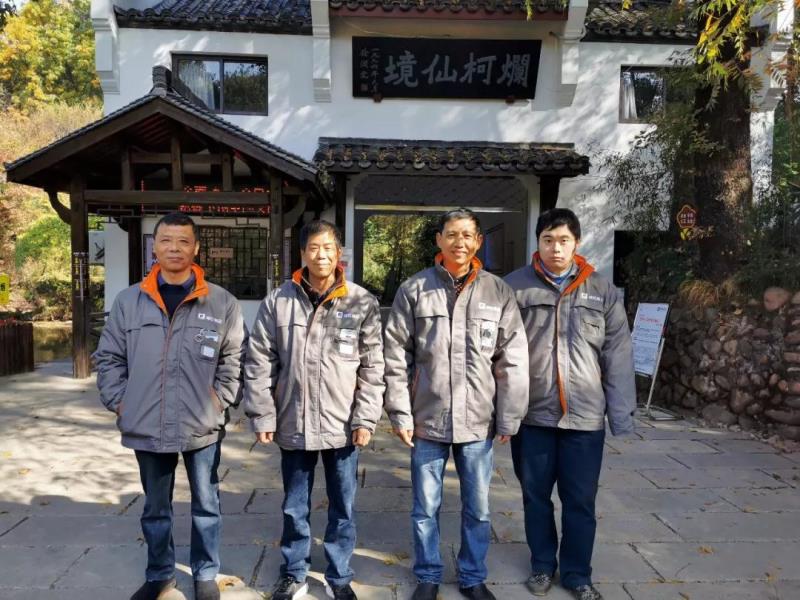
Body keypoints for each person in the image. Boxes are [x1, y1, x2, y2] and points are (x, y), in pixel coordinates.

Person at [94, 212, 247, 600]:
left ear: (196, 248)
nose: (174, 248)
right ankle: (160, 573)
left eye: (183, 241)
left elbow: (235, 358)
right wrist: (121, 402)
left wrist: (220, 400)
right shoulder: (130, 301)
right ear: (155, 248)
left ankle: (206, 573)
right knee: (155, 507)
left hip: (202, 422)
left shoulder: (221, 302)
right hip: (146, 420)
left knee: (206, 503)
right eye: (166, 240)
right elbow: (108, 357)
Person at [383, 208, 529, 600]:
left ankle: (472, 576)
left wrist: (509, 416)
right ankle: (428, 575)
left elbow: (512, 358)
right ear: (439, 240)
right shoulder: (415, 289)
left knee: (478, 508)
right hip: (427, 417)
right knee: (425, 507)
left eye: (467, 235)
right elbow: (395, 355)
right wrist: (400, 412)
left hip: (478, 420)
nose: (459, 242)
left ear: (478, 241)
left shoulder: (497, 292)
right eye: (451, 234)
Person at [244, 220, 385, 600]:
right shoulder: (279, 301)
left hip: (343, 423)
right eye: (313, 248)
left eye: (328, 248)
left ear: (339, 253)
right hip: (294, 418)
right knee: (294, 506)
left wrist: (365, 417)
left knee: (343, 506)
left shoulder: (361, 301)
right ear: (303, 253)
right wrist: (262, 413)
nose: (321, 255)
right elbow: (259, 360)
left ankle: (339, 576)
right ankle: (294, 572)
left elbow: (373, 366)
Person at [504, 208, 636, 600]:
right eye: (548, 240)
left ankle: (578, 573)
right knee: (535, 498)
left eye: (563, 240)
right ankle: (542, 565)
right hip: (533, 416)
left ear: (576, 242)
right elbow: (498, 352)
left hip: (585, 419)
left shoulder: (601, 289)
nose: (556, 248)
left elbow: (618, 353)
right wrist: (501, 413)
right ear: (538, 243)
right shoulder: (513, 287)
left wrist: (620, 415)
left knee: (580, 500)